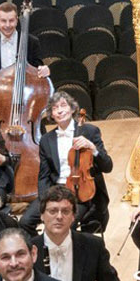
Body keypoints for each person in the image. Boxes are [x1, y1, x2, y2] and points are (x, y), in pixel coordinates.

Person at [25, 93, 110, 233]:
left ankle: (70, 253)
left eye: (63, 105)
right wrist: (45, 201)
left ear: (72, 109)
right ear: (51, 114)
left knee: (65, 226)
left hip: (81, 193)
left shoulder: (89, 132)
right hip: (56, 190)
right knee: (25, 222)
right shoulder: (46, 140)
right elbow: (43, 176)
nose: (59, 110)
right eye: (54, 108)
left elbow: (108, 166)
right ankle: (43, 251)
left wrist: (92, 148)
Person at [0, 0, 53, 79]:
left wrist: (43, 70)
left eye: (11, 20)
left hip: (25, 87)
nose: (7, 25)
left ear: (16, 20)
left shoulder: (32, 42)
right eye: (3, 21)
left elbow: (37, 68)